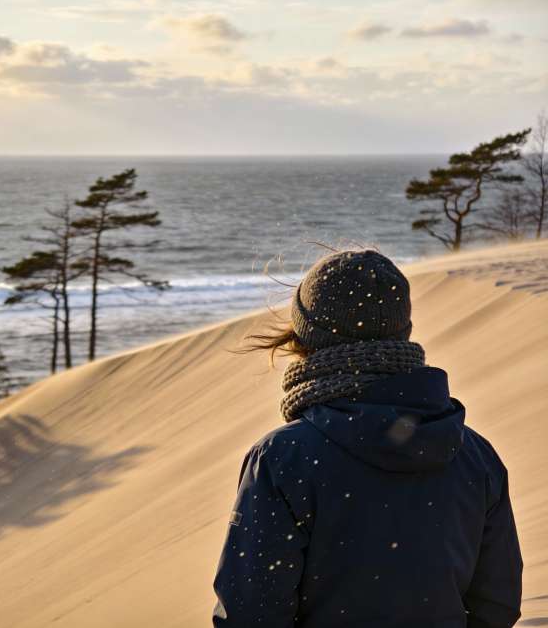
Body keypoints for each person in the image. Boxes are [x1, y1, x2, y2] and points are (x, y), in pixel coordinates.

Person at [211, 249, 523, 627]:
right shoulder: (474, 454)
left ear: (307, 336)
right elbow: (497, 604)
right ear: (402, 330)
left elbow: (251, 614)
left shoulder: (283, 458)